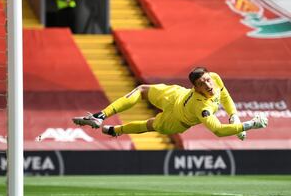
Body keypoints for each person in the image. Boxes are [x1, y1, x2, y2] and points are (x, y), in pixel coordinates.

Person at [72, 67, 268, 140]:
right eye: (202, 83)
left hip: (177, 107)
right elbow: (218, 131)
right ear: (195, 88)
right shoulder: (202, 107)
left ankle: (112, 126)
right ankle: (105, 120)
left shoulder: (215, 78)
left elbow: (225, 96)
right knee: (142, 97)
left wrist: (234, 116)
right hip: (177, 106)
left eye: (208, 79)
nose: (208, 84)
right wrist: (249, 125)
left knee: (147, 116)